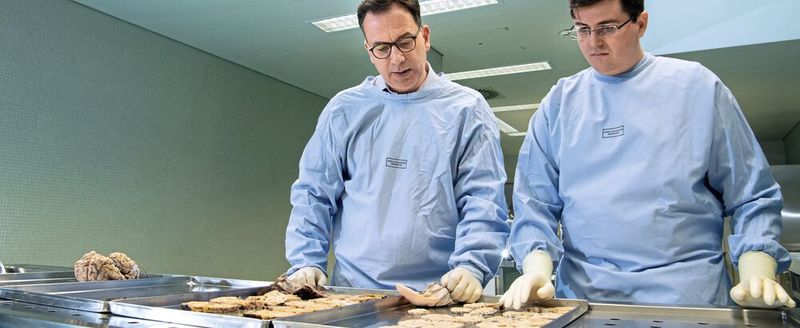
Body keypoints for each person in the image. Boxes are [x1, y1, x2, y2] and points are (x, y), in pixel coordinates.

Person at [500, 0, 795, 309]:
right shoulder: (559, 103)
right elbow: (535, 204)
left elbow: (751, 193)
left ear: (640, 23)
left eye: (607, 28)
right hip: (585, 301)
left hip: (685, 300)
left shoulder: (697, 88)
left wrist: (757, 266)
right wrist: (536, 267)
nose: (593, 42)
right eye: (582, 29)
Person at [284, 0, 510, 303]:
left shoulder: (467, 110)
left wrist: (472, 266)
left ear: (425, 37)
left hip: (437, 295)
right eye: (382, 48)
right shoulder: (345, 110)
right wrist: (306, 260)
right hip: (352, 294)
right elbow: (314, 193)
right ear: (368, 50)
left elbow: (482, 200)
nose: (397, 59)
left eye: (405, 42)